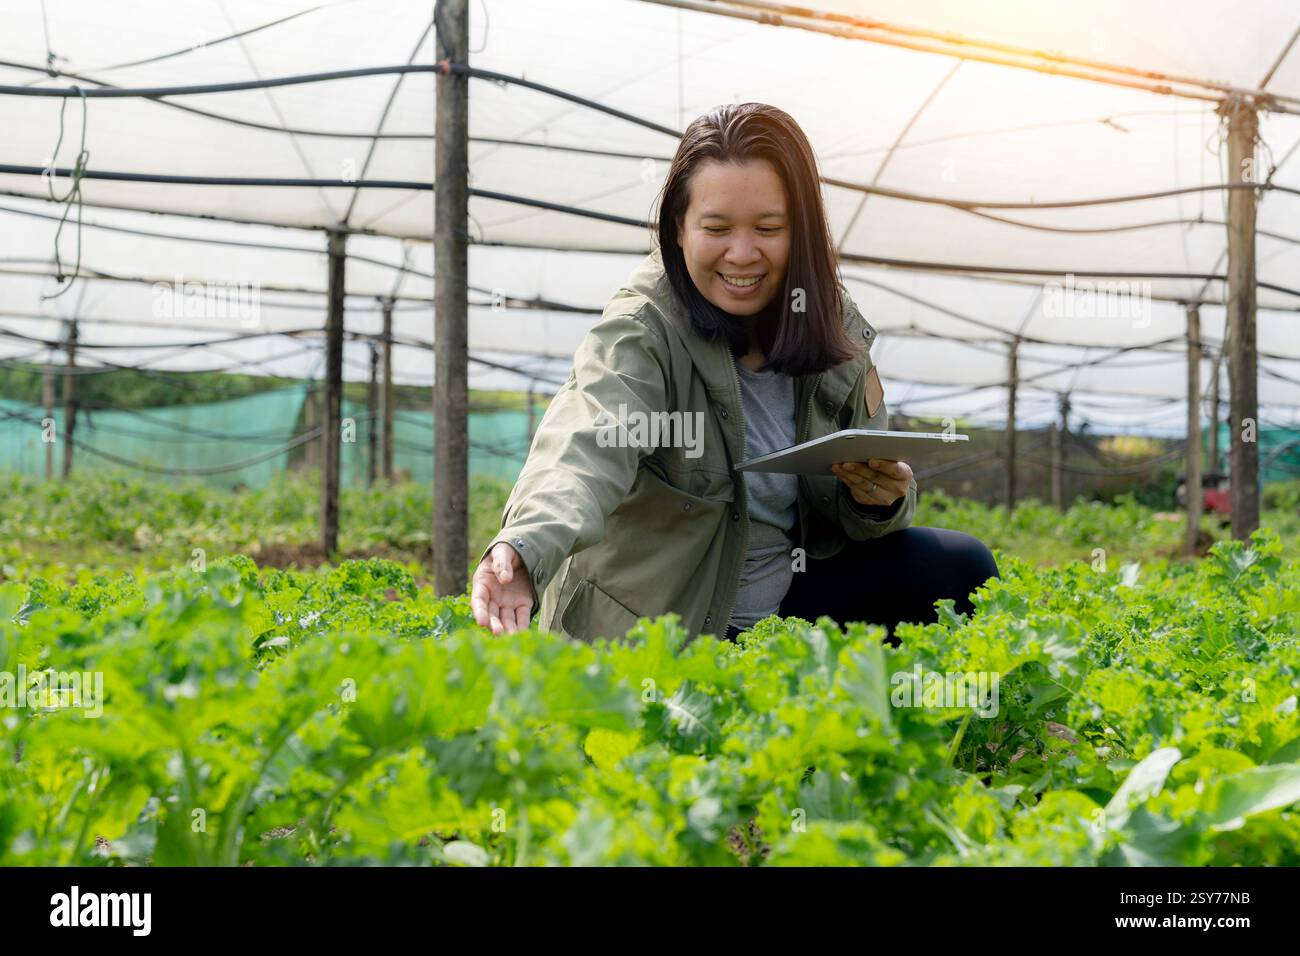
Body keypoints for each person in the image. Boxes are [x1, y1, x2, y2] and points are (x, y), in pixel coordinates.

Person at [472, 102, 998, 644]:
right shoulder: (643, 332)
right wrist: (524, 546)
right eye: (716, 227)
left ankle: (917, 722)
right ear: (678, 228)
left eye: (768, 227)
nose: (742, 254)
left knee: (958, 568)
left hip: (787, 607)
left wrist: (877, 500)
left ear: (801, 232)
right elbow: (585, 444)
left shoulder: (827, 324)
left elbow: (861, 504)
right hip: (670, 621)